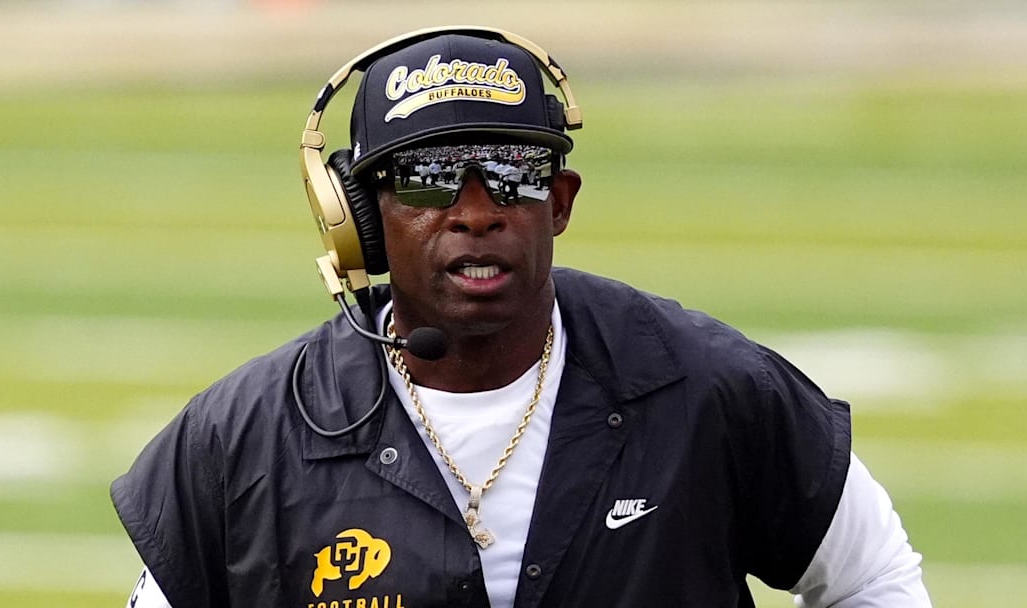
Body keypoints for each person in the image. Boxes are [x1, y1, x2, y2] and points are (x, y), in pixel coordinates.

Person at [112, 28, 932, 608]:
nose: (475, 212)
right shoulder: (246, 435)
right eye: (431, 177)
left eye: (513, 171)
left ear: (561, 202)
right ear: (361, 219)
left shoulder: (704, 385)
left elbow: (871, 576)